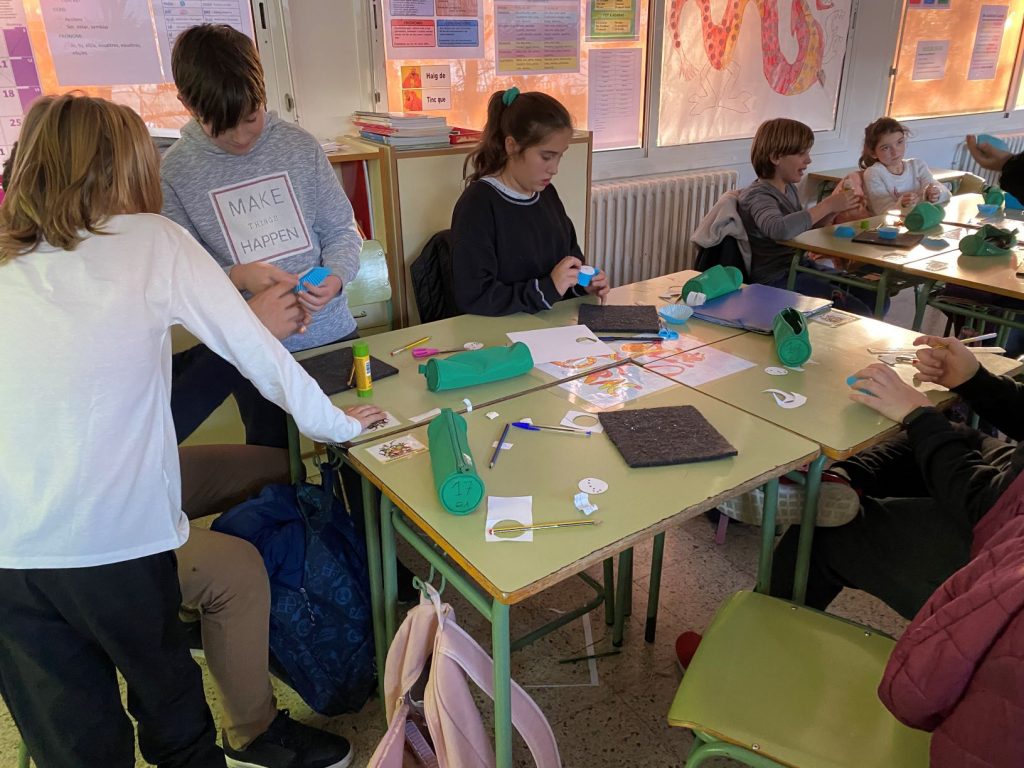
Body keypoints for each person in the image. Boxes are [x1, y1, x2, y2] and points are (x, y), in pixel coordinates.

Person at [0, 94, 382, 768]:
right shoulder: (152, 239)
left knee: (75, 742)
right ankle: (247, 712)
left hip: (13, 556)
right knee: (174, 719)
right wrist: (340, 425)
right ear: (126, 169)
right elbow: (264, 360)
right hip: (116, 546)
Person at [162, 23, 364, 448]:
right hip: (252, 351)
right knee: (272, 462)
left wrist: (336, 276)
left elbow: (342, 230)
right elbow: (184, 278)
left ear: (263, 93)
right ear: (188, 106)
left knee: (356, 447)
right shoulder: (175, 173)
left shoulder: (299, 146)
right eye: (222, 126)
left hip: (331, 335)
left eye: (251, 118)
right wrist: (237, 275)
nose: (241, 137)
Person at [764, 334, 1024, 619]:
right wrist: (975, 380)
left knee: (818, 532)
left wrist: (918, 415)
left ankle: (757, 637)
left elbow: (991, 508)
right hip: (1010, 496)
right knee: (942, 436)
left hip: (1005, 568)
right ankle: (838, 480)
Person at [450, 87, 608, 315]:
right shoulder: (478, 205)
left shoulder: (548, 195)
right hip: (500, 330)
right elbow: (475, 296)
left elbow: (570, 263)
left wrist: (583, 283)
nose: (554, 169)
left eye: (560, 156)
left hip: (549, 323)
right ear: (512, 146)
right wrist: (548, 288)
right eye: (546, 156)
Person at [737, 117, 875, 315]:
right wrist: (827, 205)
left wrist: (835, 209)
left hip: (799, 266)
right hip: (776, 278)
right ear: (776, 157)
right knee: (859, 312)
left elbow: (804, 229)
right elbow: (779, 229)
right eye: (802, 153)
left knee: (874, 296)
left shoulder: (789, 189)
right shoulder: (758, 195)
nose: (808, 160)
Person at [860, 117, 950, 215]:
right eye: (885, 148)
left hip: (923, 220)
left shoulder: (917, 165)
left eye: (899, 142)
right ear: (873, 153)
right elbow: (882, 210)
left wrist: (936, 194)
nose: (895, 152)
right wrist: (902, 205)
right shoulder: (874, 173)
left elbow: (945, 192)